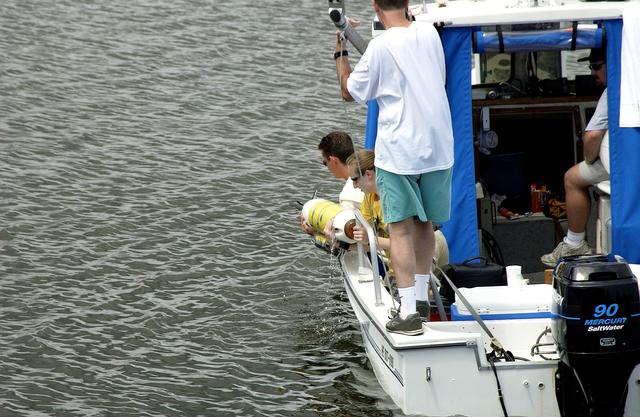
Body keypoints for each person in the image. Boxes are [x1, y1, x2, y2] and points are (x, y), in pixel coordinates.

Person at [334, 0, 454, 336]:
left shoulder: (379, 47)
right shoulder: (429, 33)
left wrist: (340, 45)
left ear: (374, 6)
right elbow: (406, 27)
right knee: (425, 224)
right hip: (439, 148)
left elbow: (348, 91)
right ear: (407, 3)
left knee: (400, 229)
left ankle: (408, 312)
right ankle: (421, 298)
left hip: (401, 152)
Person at [541, 47, 608, 267]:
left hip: (620, 166)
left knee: (571, 177)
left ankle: (574, 243)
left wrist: (590, 160)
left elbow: (592, 138)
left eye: (597, 67)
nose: (593, 73)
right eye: (590, 68)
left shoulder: (614, 92)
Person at [300, 131, 364, 236]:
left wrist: (315, 233)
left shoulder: (349, 194)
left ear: (333, 160)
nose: (327, 167)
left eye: (325, 163)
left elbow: (347, 239)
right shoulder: (369, 177)